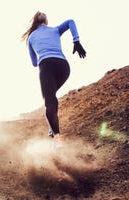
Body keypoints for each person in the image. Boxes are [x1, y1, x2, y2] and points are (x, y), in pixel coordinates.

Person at [21, 11, 86, 144]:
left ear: (35, 21)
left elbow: (34, 63)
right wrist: (76, 41)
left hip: (46, 67)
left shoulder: (31, 37)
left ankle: (56, 138)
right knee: (52, 99)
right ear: (46, 21)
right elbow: (70, 21)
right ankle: (52, 129)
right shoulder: (55, 30)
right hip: (64, 67)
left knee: (49, 102)